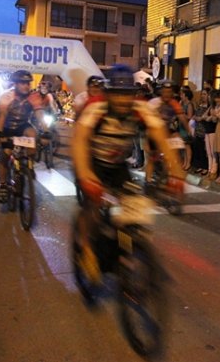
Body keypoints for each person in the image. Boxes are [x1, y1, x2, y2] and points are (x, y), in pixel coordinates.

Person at [72, 65, 185, 283]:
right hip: (91, 161)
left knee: (131, 206)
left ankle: (127, 246)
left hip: (117, 165)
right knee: (92, 206)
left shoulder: (141, 108)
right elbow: (79, 140)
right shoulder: (96, 108)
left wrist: (177, 173)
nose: (123, 100)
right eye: (117, 94)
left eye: (127, 94)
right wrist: (85, 175)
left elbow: (162, 138)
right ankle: (86, 248)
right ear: (108, 93)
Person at [0, 70, 51, 203]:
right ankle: (3, 185)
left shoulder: (34, 96)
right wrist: (0, 133)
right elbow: (2, 116)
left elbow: (39, 115)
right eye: (22, 83)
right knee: (5, 154)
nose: (26, 86)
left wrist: (46, 132)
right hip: (7, 127)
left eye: (28, 83)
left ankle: (29, 165)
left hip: (22, 126)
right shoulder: (7, 97)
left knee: (33, 135)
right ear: (15, 84)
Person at [145, 80, 185, 184]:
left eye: (169, 92)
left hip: (168, 132)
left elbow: (182, 117)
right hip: (154, 133)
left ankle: (167, 175)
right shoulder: (153, 103)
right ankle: (148, 180)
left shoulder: (174, 103)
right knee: (152, 158)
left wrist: (189, 130)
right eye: (165, 91)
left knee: (173, 154)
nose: (167, 94)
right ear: (161, 92)